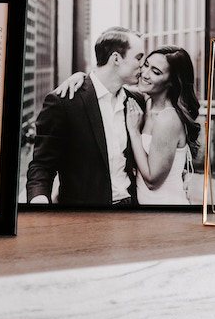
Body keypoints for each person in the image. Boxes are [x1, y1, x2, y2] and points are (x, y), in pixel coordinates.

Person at [26, 27, 144, 207]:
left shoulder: (136, 101)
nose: (142, 65)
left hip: (131, 211)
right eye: (138, 57)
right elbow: (42, 166)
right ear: (116, 59)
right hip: (84, 215)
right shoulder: (64, 102)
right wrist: (39, 201)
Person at [126, 46, 200, 206]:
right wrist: (80, 78)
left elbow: (153, 181)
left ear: (172, 82)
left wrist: (134, 133)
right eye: (146, 65)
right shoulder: (145, 102)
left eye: (156, 72)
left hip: (167, 209)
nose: (145, 74)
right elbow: (109, 85)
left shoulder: (168, 118)